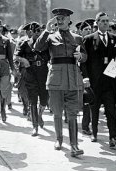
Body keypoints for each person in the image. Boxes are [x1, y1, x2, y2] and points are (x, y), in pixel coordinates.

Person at [34, 8, 87, 157]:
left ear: (69, 20)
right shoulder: (50, 37)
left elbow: (85, 56)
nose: (60, 20)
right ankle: (58, 139)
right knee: (57, 112)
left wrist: (81, 56)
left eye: (63, 17)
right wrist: (46, 30)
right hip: (56, 80)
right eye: (57, 17)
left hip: (73, 79)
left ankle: (74, 145)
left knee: (72, 114)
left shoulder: (77, 38)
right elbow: (37, 48)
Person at [82, 12, 116, 147]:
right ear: (97, 23)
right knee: (94, 109)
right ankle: (94, 133)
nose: (106, 23)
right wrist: (86, 77)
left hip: (110, 81)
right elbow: (84, 61)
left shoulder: (115, 38)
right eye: (103, 21)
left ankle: (112, 136)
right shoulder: (89, 39)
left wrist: (114, 69)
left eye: (107, 21)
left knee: (111, 110)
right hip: (95, 82)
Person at [14, 22, 49, 136]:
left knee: (44, 98)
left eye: (40, 31)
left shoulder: (46, 43)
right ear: (31, 32)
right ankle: (35, 126)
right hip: (30, 73)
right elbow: (16, 56)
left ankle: (39, 115)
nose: (38, 33)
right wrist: (24, 61)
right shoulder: (25, 43)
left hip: (43, 72)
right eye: (36, 31)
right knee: (32, 100)